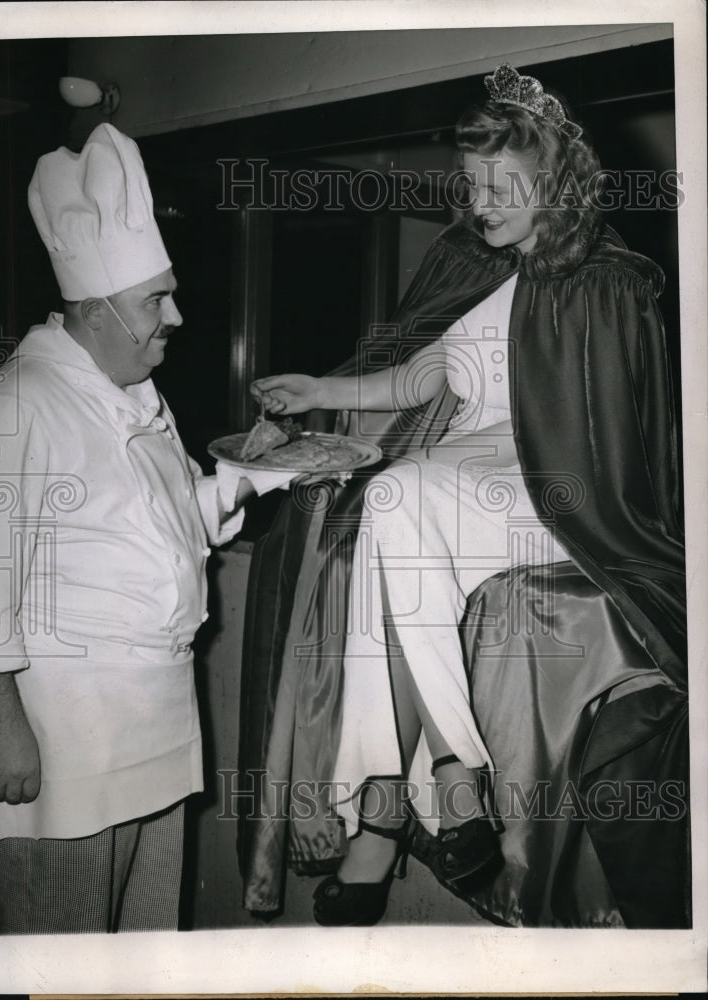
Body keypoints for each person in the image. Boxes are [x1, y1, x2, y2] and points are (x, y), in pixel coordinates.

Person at [244, 65, 687, 926]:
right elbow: (412, 381)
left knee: (398, 498)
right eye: (471, 183)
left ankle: (393, 806)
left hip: (556, 490)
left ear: (552, 179)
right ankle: (444, 776)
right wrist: (316, 389)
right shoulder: (479, 275)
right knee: (388, 509)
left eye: (501, 183)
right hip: (466, 484)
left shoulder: (606, 279)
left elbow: (616, 439)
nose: (481, 201)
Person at [0, 123, 286, 934]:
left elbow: (167, 527)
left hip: (159, 728)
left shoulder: (136, 392)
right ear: (94, 309)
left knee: (143, 958)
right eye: (154, 301)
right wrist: (0, 726)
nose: (175, 315)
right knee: (59, 955)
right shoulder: (19, 402)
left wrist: (255, 474)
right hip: (67, 737)